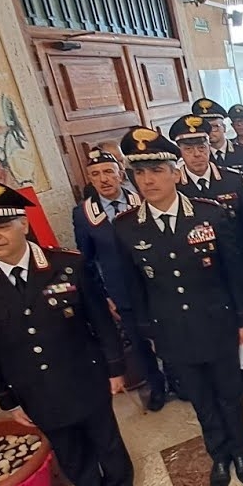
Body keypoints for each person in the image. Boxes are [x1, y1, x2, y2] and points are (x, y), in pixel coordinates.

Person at [0, 179, 139, 486]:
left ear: (23, 223)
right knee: (69, 450)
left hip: (85, 375)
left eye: (2, 226)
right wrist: (8, 399)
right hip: (33, 388)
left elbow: (100, 320)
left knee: (107, 441)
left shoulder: (67, 265)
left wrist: (116, 368)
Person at [114, 126, 243, 486]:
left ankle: (239, 450)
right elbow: (134, 287)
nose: (148, 180)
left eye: (157, 170)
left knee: (228, 391)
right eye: (140, 173)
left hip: (217, 321)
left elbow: (234, 272)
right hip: (171, 329)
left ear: (175, 173)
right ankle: (219, 454)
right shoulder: (127, 227)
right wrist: (150, 333)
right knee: (199, 397)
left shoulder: (209, 215)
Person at [172, 113, 243, 393]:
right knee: (207, 322)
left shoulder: (232, 180)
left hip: (235, 265)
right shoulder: (176, 187)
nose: (197, 155)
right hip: (195, 270)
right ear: (180, 151)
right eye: (188, 149)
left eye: (201, 147)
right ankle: (220, 372)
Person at [72, 149, 167, 411]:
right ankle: (156, 385)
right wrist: (104, 296)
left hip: (153, 282)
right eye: (95, 174)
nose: (103, 179)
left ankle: (178, 379)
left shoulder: (143, 199)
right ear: (89, 179)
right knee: (138, 342)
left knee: (167, 332)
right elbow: (86, 262)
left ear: (120, 174)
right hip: (120, 290)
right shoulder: (84, 214)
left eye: (107, 172)